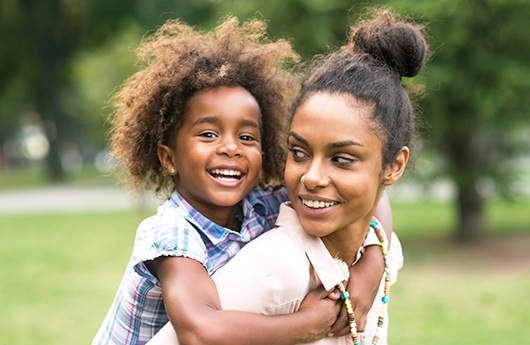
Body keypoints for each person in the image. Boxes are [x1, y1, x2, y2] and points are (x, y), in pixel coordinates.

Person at [93, 15, 397, 345]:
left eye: (247, 137)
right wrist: (308, 324)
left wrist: (372, 267)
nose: (230, 148)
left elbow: (372, 194)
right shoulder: (172, 232)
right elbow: (198, 331)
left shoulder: (259, 205)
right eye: (208, 134)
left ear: (265, 150)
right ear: (169, 158)